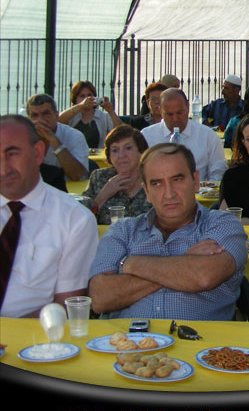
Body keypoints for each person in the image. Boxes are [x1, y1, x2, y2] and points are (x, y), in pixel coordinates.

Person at [88, 143, 247, 319]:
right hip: (127, 336)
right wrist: (185, 262)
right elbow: (100, 298)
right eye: (157, 184)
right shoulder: (123, 231)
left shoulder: (223, 224)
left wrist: (132, 264)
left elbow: (203, 276)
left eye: (177, 180)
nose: (169, 194)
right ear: (146, 192)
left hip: (198, 336)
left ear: (195, 181)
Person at [0, 115, 98, 318]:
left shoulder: (74, 220)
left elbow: (66, 306)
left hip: (34, 335)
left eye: (12, 154)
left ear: (38, 153)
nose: (3, 168)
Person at [141, 88, 227, 182]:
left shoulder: (208, 136)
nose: (175, 119)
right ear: (160, 111)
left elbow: (218, 173)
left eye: (179, 113)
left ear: (188, 106)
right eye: (169, 114)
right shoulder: (146, 136)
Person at [82, 125, 151, 225]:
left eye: (128, 148)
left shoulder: (154, 179)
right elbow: (80, 219)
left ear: (141, 152)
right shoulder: (99, 178)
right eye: (115, 150)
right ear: (109, 155)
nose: (121, 155)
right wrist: (103, 195)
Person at [26, 93, 89, 180]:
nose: (40, 120)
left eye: (46, 113)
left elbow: (78, 175)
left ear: (56, 116)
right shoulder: (22, 138)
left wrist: (54, 140)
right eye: (35, 115)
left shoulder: (74, 136)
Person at [58, 80, 122, 149]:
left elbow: (121, 132)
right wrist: (81, 105)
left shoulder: (103, 117)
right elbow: (58, 120)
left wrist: (111, 112)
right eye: (82, 96)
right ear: (75, 100)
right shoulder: (71, 116)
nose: (87, 99)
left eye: (89, 95)